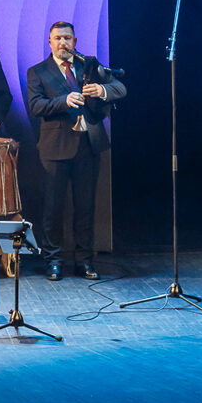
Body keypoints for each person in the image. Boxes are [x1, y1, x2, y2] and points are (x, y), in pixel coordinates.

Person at [24, 20, 126, 281]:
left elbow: (120, 88)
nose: (63, 43)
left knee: (85, 208)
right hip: (55, 148)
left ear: (75, 42)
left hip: (87, 146)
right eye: (58, 38)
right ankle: (53, 261)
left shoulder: (88, 65)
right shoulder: (38, 71)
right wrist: (63, 100)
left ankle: (84, 261)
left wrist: (102, 90)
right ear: (50, 42)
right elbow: (35, 106)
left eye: (67, 38)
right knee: (53, 208)